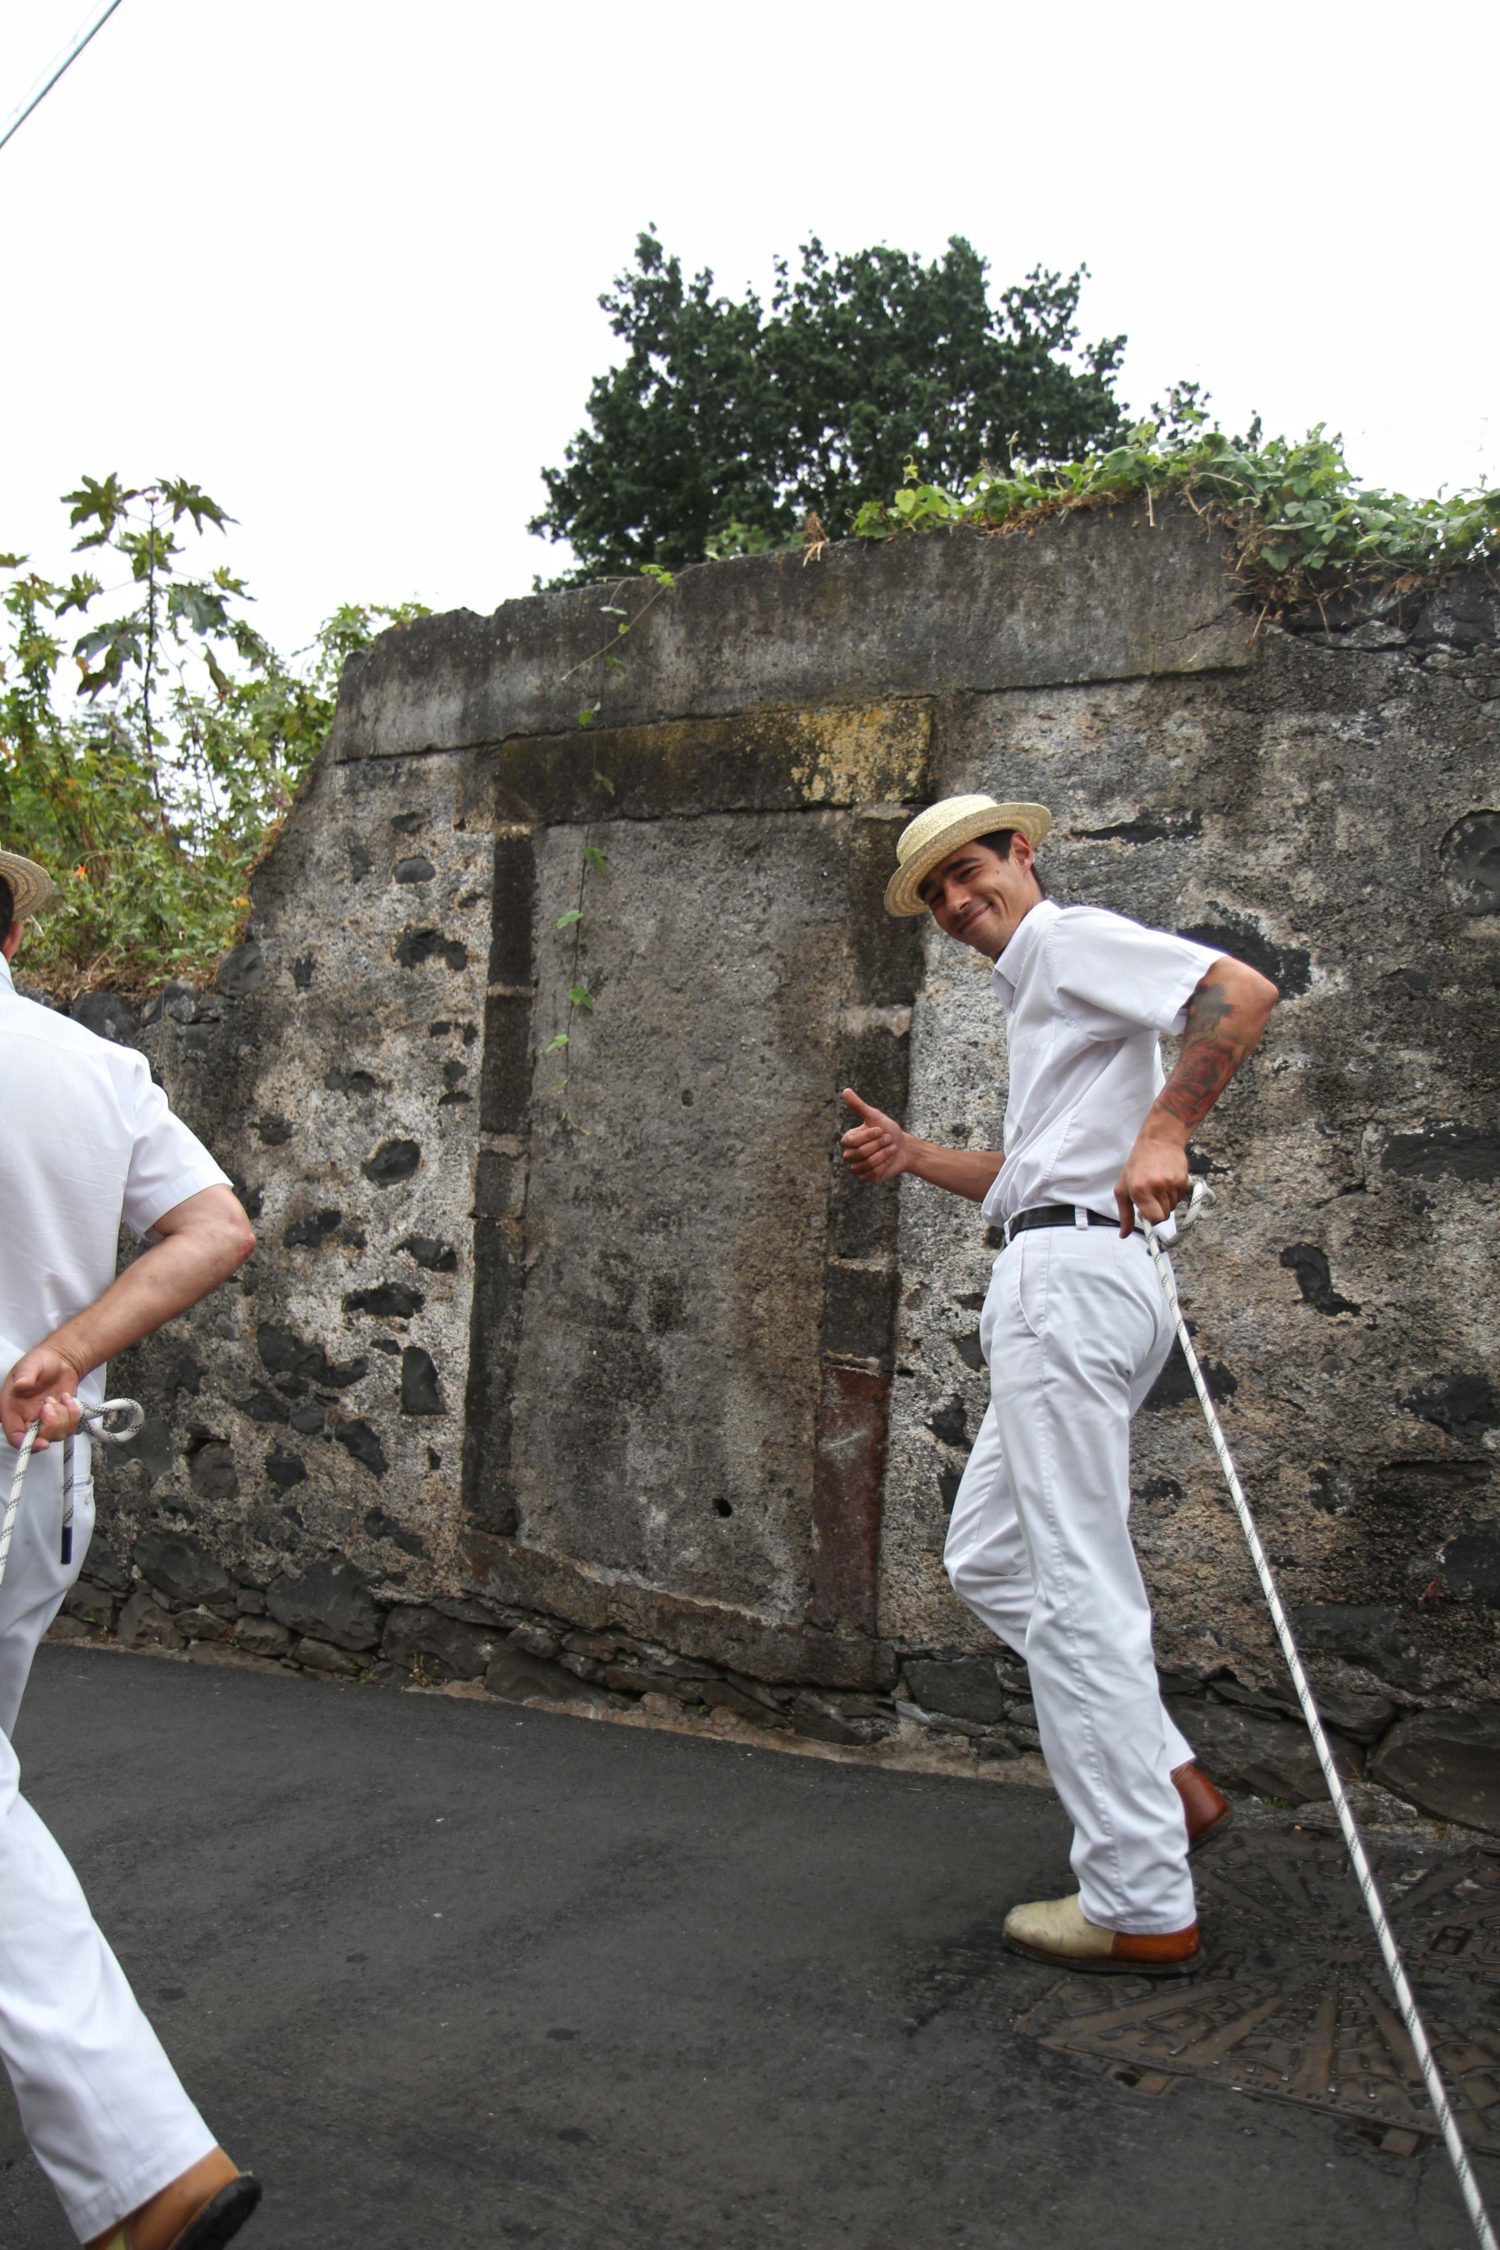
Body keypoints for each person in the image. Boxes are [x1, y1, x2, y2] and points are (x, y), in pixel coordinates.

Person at [841, 795, 1278, 1976]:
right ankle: (1163, 1775)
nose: (953, 902)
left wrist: (1167, 1131)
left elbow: (1239, 991)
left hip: (1072, 1280)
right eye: (933, 893)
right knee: (989, 1554)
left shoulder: (1069, 940)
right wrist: (914, 1153)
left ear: (1022, 855)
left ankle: (1139, 1899)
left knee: (1079, 1578)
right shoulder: (1040, 986)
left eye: (968, 871)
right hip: (1072, 1263)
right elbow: (1032, 1173)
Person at [0, 849, 262, 2249]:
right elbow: (216, 1226)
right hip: (39, 1474)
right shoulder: (94, 1068)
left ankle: (145, 2162)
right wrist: (64, 1351)